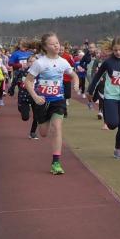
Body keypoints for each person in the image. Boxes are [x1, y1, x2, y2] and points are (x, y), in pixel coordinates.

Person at [24, 32, 80, 175]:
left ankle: (56, 162)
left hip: (58, 100)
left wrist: (76, 83)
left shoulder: (63, 62)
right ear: (45, 47)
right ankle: (44, 120)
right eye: (52, 44)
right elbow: (28, 81)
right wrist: (35, 96)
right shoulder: (39, 63)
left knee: (57, 128)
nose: (56, 46)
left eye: (57, 43)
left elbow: (73, 75)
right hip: (42, 101)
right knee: (43, 133)